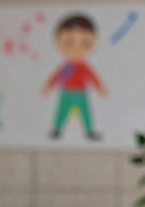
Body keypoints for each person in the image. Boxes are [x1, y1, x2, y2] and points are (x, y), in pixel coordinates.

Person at [41, 14, 108, 142]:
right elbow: (56, 77)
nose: (77, 48)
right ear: (58, 43)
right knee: (61, 111)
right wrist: (48, 87)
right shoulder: (65, 67)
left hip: (81, 93)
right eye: (69, 43)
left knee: (85, 113)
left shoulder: (84, 67)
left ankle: (89, 131)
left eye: (85, 43)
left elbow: (93, 78)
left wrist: (100, 88)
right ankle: (57, 129)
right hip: (66, 93)